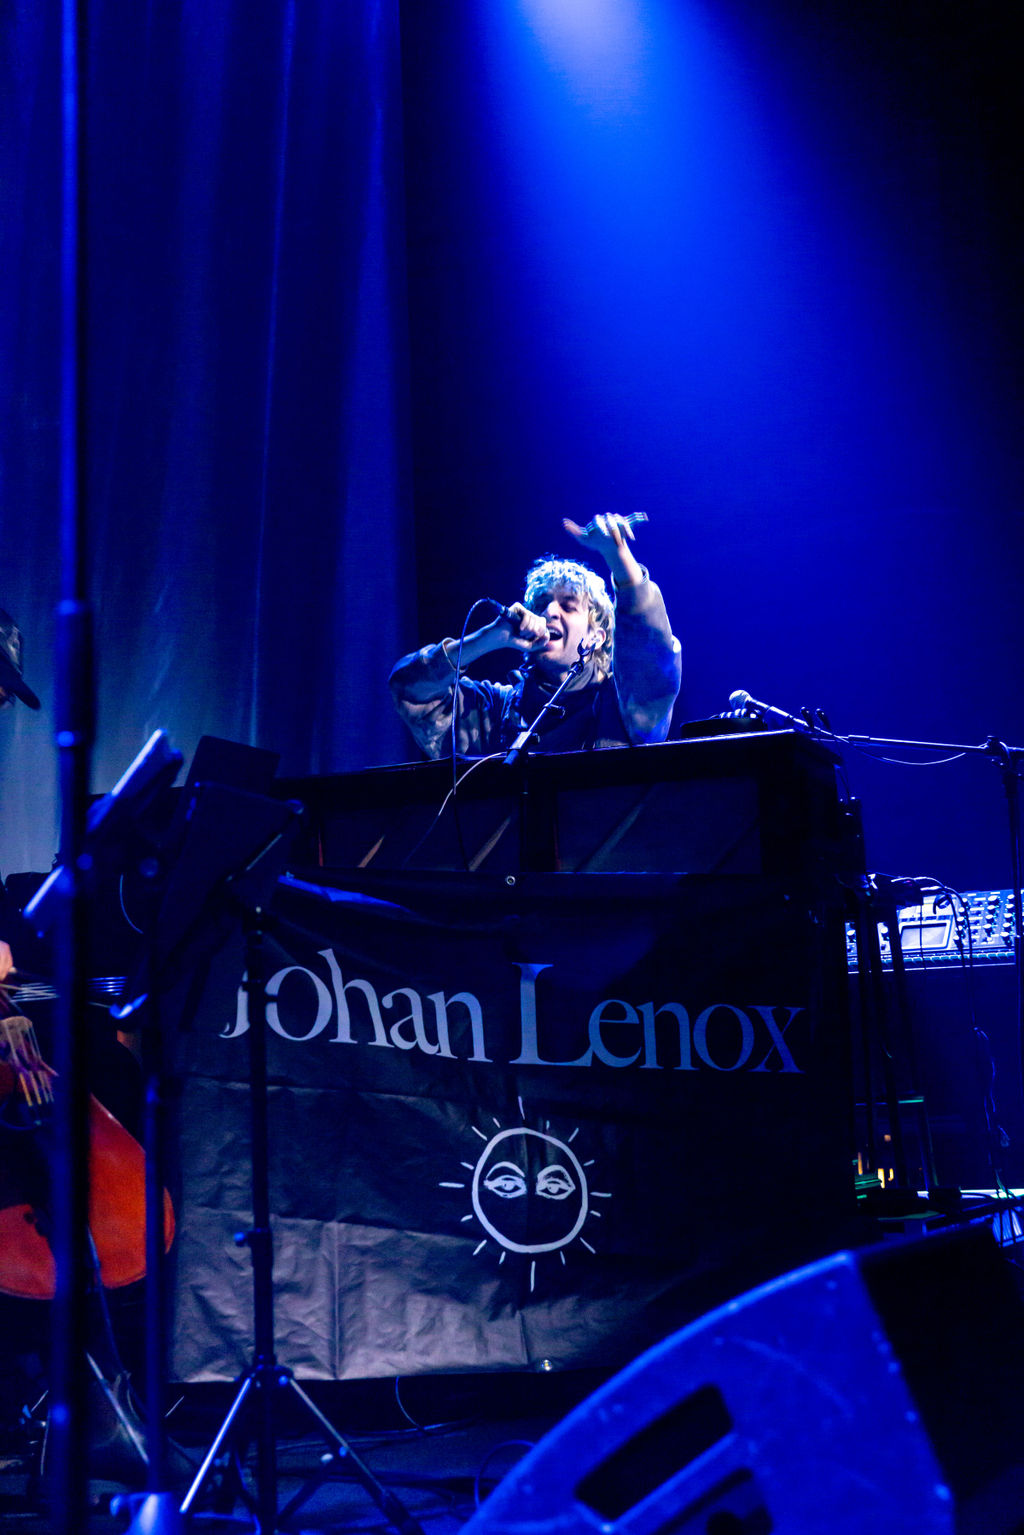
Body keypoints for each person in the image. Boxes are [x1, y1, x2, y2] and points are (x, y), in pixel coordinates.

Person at [390, 515, 681, 759]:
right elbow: (410, 691)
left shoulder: (621, 706)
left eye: (568, 606)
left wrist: (619, 559)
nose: (550, 611)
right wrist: (487, 638)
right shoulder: (495, 710)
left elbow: (652, 662)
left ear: (596, 638)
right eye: (541, 605)